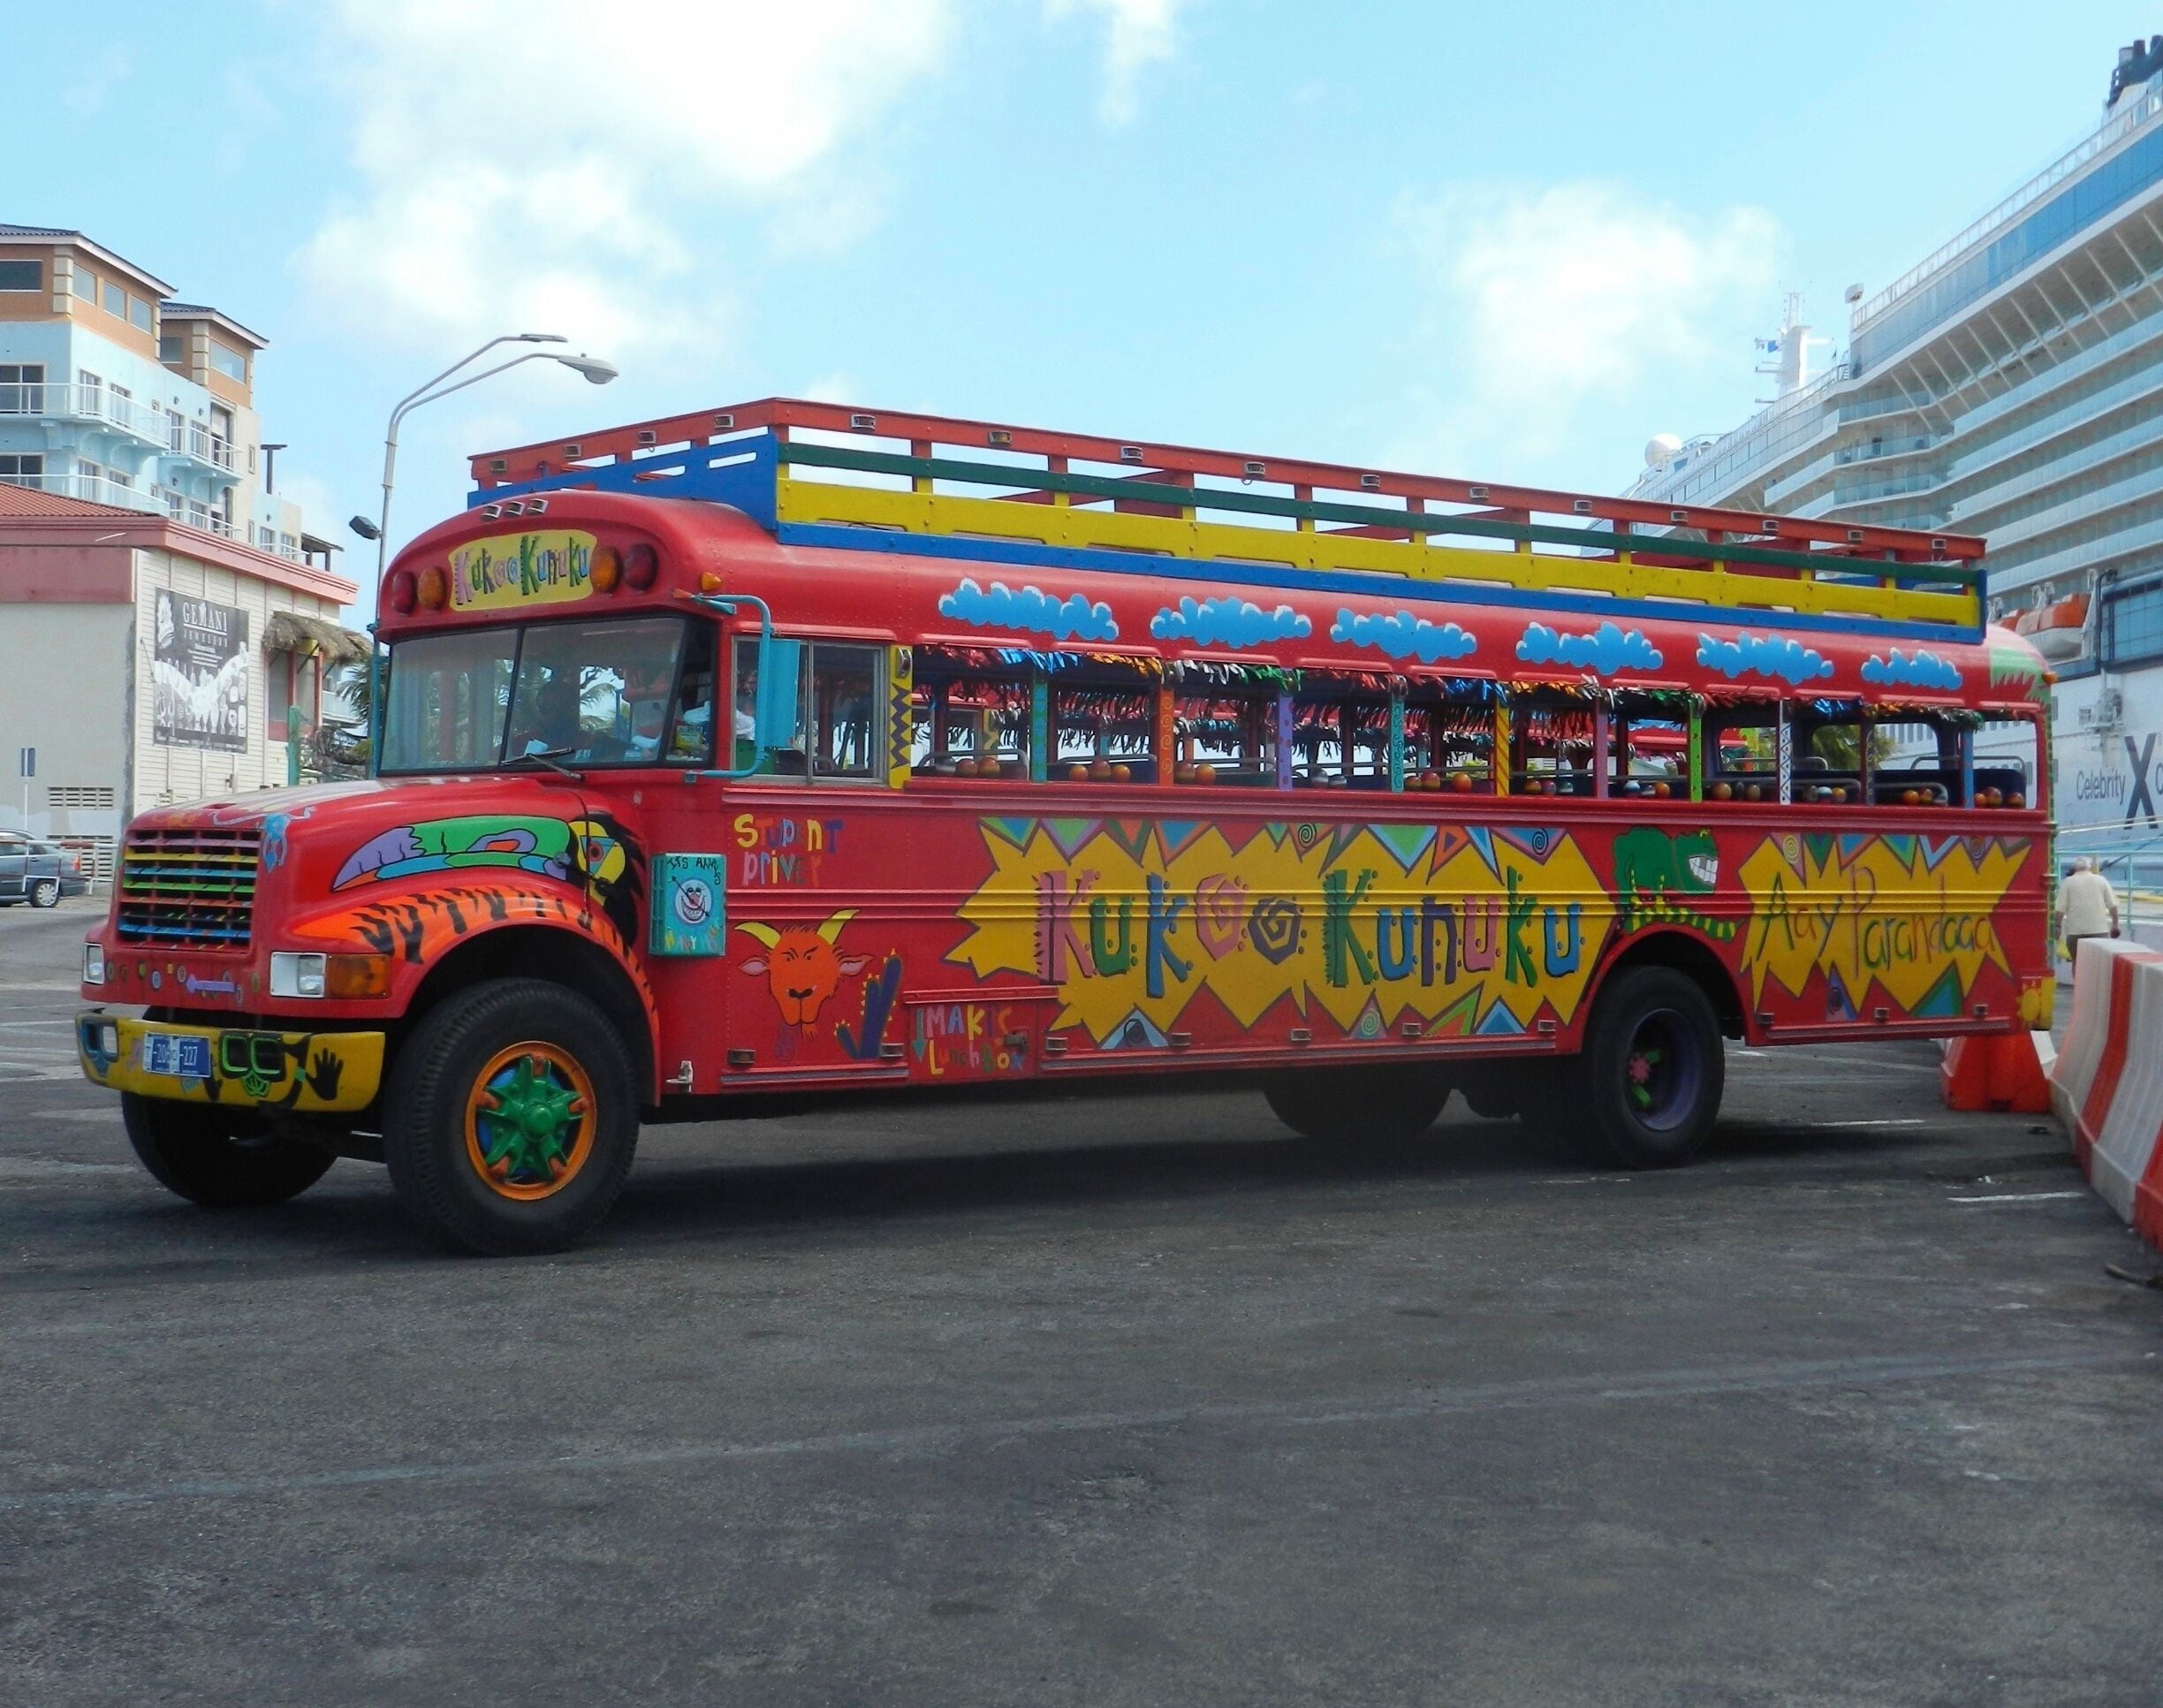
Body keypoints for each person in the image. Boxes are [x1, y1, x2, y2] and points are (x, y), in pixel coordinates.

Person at [2056, 857, 2121, 967]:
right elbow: (2113, 905)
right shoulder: (2101, 880)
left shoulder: (2067, 882)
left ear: (2074, 868)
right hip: (2099, 930)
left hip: (2075, 932)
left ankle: (2078, 978)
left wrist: (2057, 927)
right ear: (2089, 867)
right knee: (2098, 965)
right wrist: (2115, 925)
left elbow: (2060, 910)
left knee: (2077, 965)